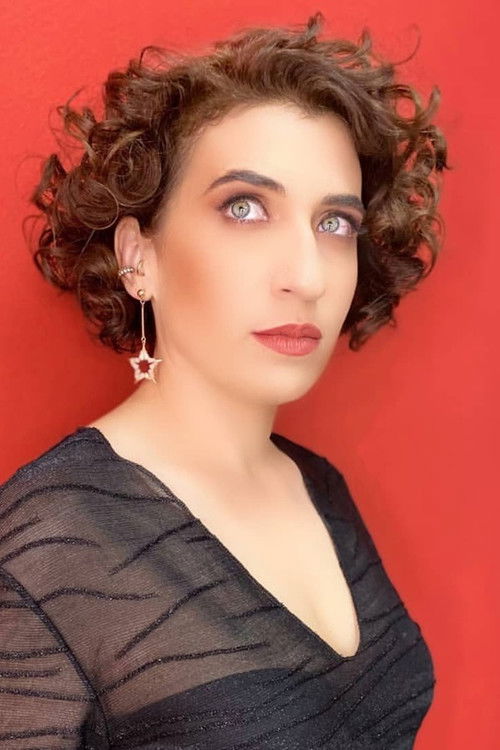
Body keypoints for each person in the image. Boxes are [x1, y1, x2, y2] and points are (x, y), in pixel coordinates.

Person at [0, 12, 449, 748]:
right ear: (139, 257)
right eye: (245, 208)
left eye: (335, 223)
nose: (308, 277)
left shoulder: (320, 487)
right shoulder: (46, 550)